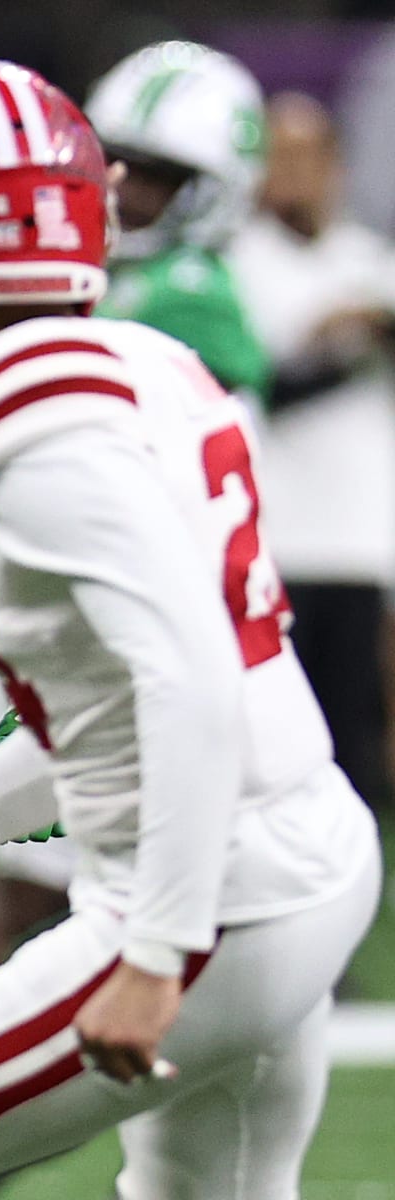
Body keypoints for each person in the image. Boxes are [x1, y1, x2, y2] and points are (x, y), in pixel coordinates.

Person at [0, 59, 382, 1200]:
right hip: (304, 860)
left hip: (211, 903)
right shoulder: (147, 362)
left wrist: (157, 953)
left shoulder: (25, 414)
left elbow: (188, 680)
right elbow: (116, 725)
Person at [0, 38, 275, 1006]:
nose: (128, 191)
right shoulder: (105, 293)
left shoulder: (182, 299)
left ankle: (10, 1075)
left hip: (118, 610)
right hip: (94, 598)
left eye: (163, 176)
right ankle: (25, 1062)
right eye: (119, 163)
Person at [229, 91, 395, 817]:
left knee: (355, 736)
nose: (293, 175)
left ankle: (355, 897)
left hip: (360, 540)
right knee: (272, 742)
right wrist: (336, 337)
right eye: (278, 157)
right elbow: (258, 386)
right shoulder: (236, 266)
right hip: (274, 544)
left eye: (308, 157)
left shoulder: (372, 260)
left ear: (336, 166)